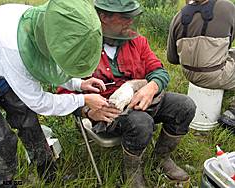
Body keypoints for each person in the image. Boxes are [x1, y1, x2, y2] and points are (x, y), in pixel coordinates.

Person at [58, 0, 196, 187]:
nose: (130, 22)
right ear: (103, 17)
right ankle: (131, 172)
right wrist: (87, 111)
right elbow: (63, 93)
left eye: (132, 17)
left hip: (143, 101)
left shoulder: (137, 41)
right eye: (124, 17)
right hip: (108, 112)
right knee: (141, 122)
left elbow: (159, 70)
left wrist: (151, 87)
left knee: (185, 106)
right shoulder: (82, 47)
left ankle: (162, 157)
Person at [0, 0, 109, 187]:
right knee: (1, 138)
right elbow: (39, 102)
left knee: (29, 122)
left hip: (0, 64)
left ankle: (49, 175)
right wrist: (82, 99)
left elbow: (48, 61)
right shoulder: (11, 47)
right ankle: (6, 183)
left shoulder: (45, 25)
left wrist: (79, 83)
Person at [167, 0, 235, 128]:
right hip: (214, 76)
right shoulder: (227, 7)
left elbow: (172, 59)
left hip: (189, 74)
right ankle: (232, 114)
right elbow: (229, 42)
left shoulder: (178, 16)